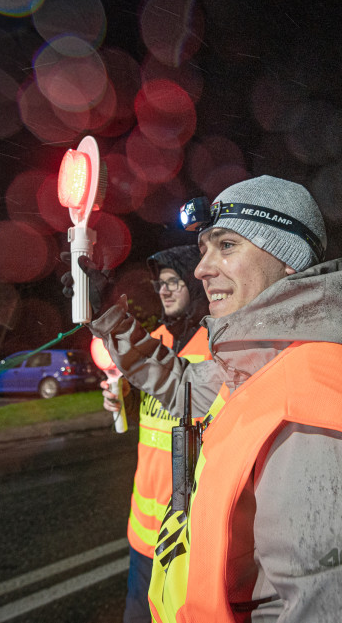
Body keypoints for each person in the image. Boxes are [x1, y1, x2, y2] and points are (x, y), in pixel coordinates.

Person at [82, 175, 342, 622]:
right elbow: (184, 388)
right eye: (203, 250)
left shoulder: (310, 419)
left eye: (227, 246)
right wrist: (110, 319)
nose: (201, 270)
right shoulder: (262, 362)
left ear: (288, 260)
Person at [114, 245, 211, 623]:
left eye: (175, 282)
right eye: (161, 284)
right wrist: (121, 400)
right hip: (143, 533)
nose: (165, 291)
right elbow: (149, 414)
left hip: (190, 537)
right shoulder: (154, 341)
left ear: (195, 284)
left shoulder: (217, 347)